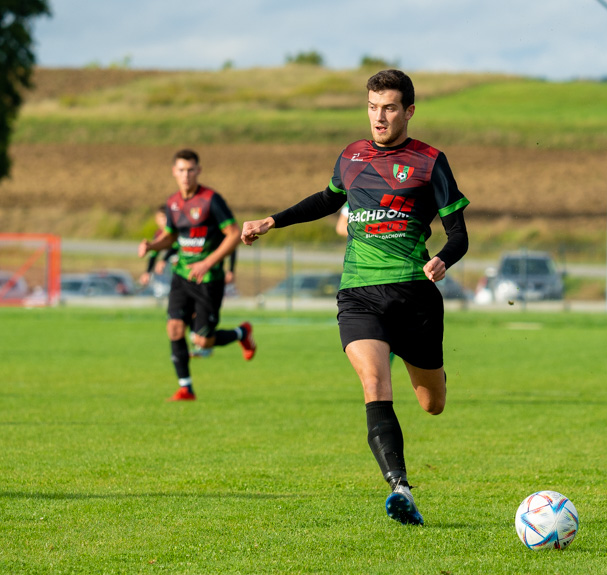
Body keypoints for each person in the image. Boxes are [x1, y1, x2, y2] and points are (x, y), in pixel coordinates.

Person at [241, 70, 468, 526]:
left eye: (388, 108)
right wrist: (272, 221)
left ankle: (433, 371)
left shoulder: (429, 161)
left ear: (408, 111)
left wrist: (444, 259)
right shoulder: (351, 156)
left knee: (433, 403)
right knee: (374, 384)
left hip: (414, 295)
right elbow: (326, 200)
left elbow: (458, 234)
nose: (378, 117)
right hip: (359, 294)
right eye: (371, 107)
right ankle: (400, 487)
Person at [138, 149, 257, 401]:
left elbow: (234, 235)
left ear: (198, 171)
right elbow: (170, 236)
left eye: (191, 170)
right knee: (174, 329)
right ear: (174, 172)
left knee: (203, 342)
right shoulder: (172, 203)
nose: (186, 175)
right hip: (182, 276)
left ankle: (242, 333)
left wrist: (208, 262)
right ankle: (186, 387)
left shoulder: (212, 200)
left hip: (208, 279)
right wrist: (152, 246)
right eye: (181, 170)